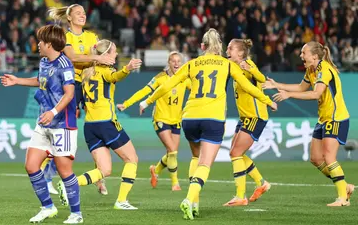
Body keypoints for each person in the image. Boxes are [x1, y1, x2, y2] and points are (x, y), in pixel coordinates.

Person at [139, 28, 277, 219]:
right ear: (219, 46)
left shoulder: (192, 63)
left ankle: (195, 204)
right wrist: (269, 101)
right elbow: (248, 86)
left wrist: (147, 101)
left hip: (189, 117)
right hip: (213, 118)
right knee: (205, 163)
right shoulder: (227, 64)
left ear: (202, 46)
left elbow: (168, 84)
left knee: (195, 157)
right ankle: (189, 200)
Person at [0, 24, 83, 223]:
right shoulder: (45, 61)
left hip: (63, 124)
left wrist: (53, 111)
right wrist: (17, 81)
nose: (37, 44)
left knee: (64, 171)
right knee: (31, 165)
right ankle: (47, 207)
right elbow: (41, 80)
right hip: (44, 123)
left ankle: (76, 214)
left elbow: (70, 93)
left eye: (40, 41)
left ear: (49, 43)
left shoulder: (65, 65)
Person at [263, 41, 354, 206]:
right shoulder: (311, 69)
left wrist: (288, 95)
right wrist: (276, 85)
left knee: (329, 156)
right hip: (323, 118)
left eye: (303, 52)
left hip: (336, 118)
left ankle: (342, 198)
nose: (300, 55)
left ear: (315, 55)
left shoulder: (324, 70)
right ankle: (345, 186)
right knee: (315, 158)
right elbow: (301, 87)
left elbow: (316, 94)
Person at [48, 4, 114, 195]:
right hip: (71, 85)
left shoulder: (92, 37)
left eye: (84, 13)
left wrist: (106, 59)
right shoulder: (66, 37)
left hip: (90, 84)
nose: (82, 16)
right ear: (69, 18)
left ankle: (99, 176)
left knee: (97, 126)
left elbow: (101, 53)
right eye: (78, 13)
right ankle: (48, 173)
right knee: (61, 129)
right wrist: (97, 59)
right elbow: (73, 57)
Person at [70, 39, 142, 210]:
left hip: (90, 126)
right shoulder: (105, 70)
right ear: (106, 55)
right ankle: (121, 200)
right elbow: (115, 76)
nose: (116, 54)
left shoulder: (86, 72)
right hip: (106, 123)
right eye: (114, 51)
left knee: (104, 170)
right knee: (132, 159)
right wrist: (128, 68)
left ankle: (70, 185)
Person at [117, 51, 190, 191]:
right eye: (173, 61)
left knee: (171, 152)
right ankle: (175, 183)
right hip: (160, 119)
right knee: (173, 152)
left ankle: (155, 170)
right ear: (168, 63)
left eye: (178, 61)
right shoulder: (160, 78)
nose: (176, 63)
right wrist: (126, 104)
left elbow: (197, 90)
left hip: (176, 120)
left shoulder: (184, 79)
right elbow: (144, 91)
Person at [223, 39, 271, 206]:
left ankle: (240, 196)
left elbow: (261, 78)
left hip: (255, 117)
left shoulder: (247, 63)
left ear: (240, 53)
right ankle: (261, 183)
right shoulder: (233, 67)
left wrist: (250, 68)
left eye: (230, 48)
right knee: (235, 153)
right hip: (245, 117)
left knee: (236, 153)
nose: (227, 50)